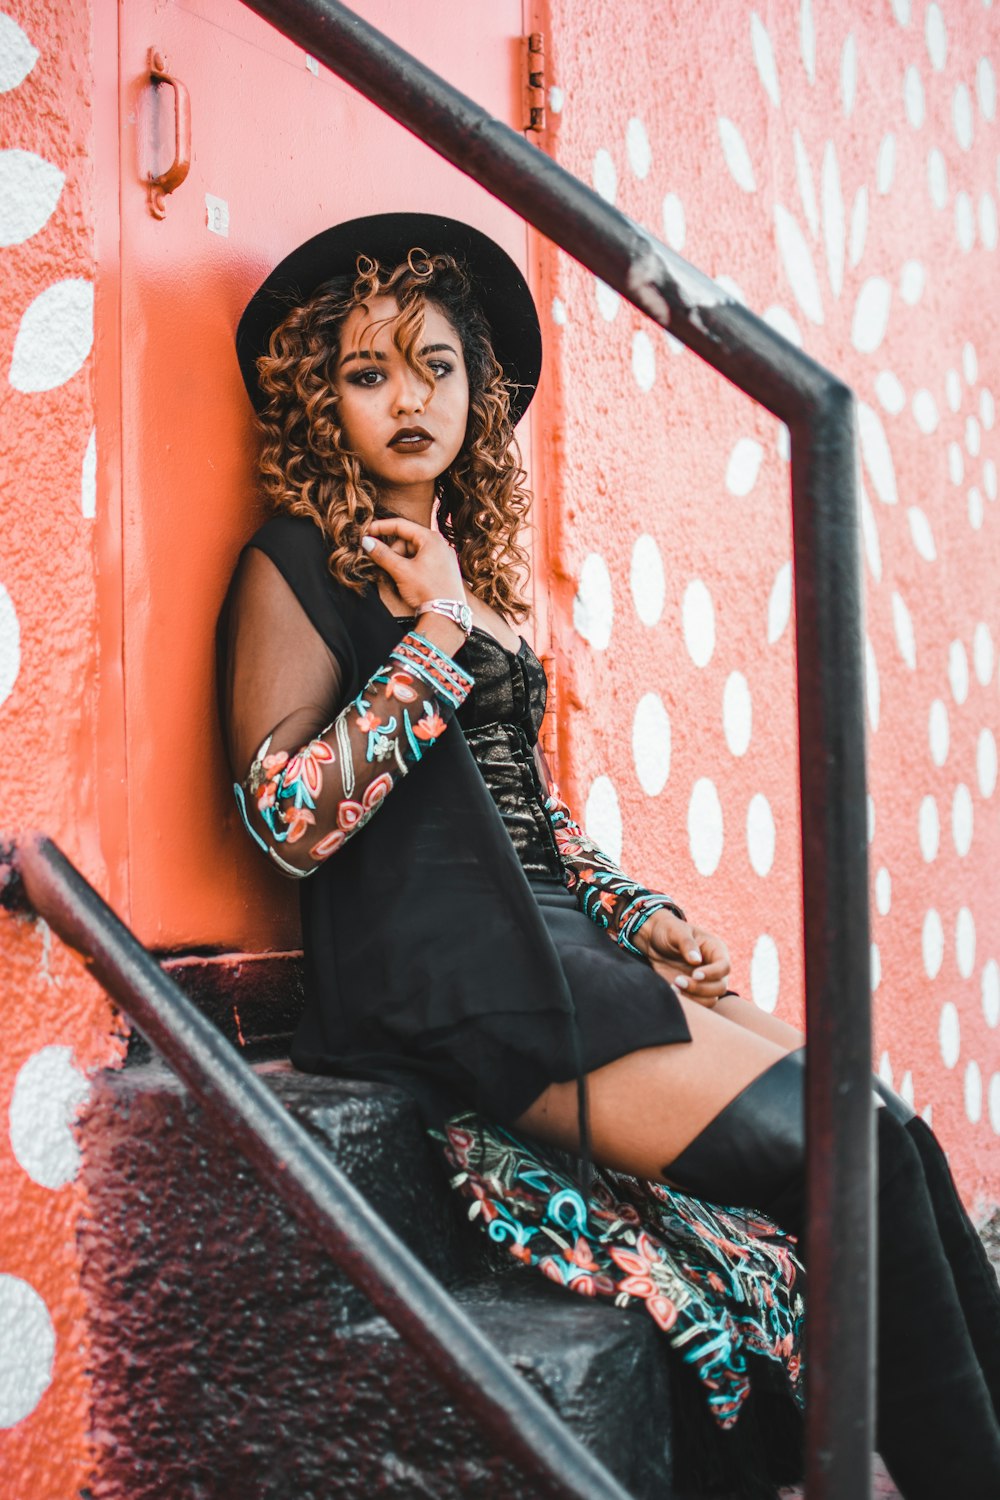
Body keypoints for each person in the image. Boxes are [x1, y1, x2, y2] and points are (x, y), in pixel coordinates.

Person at [219, 213, 1000, 1499]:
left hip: (562, 945)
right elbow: (290, 821)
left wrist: (635, 912)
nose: (407, 399)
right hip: (447, 980)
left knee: (887, 1130)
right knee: (840, 1148)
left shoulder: (459, 571)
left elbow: (521, 813)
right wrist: (435, 634)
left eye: (434, 366)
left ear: (479, 388)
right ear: (321, 397)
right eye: (367, 372)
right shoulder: (294, 564)